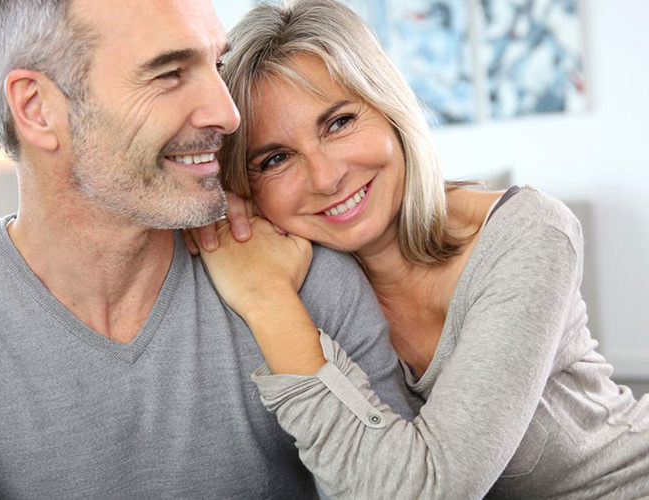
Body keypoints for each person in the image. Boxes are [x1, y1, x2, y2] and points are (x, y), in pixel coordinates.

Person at [0, 1, 417, 498]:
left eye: (215, 66)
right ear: (37, 108)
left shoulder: (298, 272)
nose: (227, 114)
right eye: (169, 74)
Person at [191, 1, 649, 499]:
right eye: (275, 158)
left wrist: (267, 301)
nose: (325, 177)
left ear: (390, 109)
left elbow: (433, 489)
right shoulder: (306, 270)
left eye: (339, 123)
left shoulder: (529, 232)